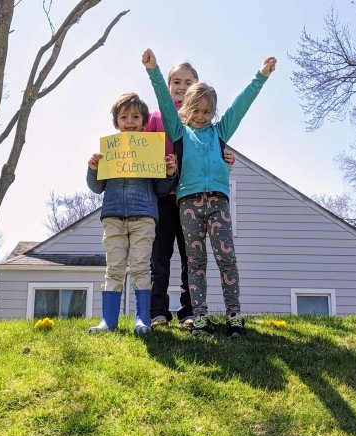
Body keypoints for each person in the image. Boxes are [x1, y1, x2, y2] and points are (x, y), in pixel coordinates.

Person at [142, 48, 276, 337]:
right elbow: (164, 100)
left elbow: (241, 106)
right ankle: (199, 316)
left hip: (218, 203)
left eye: (207, 112)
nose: (201, 116)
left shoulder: (219, 132)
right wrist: (154, 70)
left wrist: (260, 77)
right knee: (196, 261)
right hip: (187, 204)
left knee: (226, 258)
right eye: (196, 111)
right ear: (185, 109)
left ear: (213, 113)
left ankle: (233, 315)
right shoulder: (178, 132)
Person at [146, 62, 235, 329]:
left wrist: (224, 154)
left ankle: (189, 311)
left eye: (188, 82)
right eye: (177, 82)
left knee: (190, 257)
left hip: (191, 197)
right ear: (169, 85)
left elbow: (210, 149)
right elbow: (143, 150)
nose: (182, 87)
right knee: (159, 256)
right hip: (164, 194)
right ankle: (158, 311)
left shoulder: (201, 119)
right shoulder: (158, 117)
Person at [86, 92, 177, 335]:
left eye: (136, 116)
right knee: (114, 267)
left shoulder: (151, 151)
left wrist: (168, 173)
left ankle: (142, 319)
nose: (130, 121)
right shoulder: (109, 151)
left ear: (145, 122)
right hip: (113, 216)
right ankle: (108, 320)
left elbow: (160, 189)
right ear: (116, 123)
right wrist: (93, 169)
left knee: (140, 267)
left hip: (144, 217)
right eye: (124, 117)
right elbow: (96, 188)